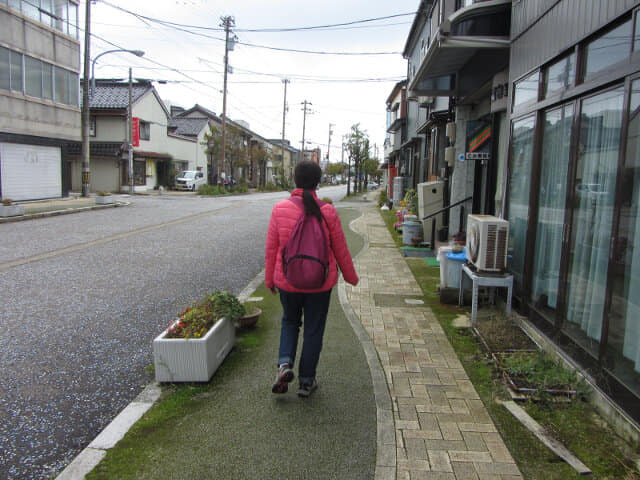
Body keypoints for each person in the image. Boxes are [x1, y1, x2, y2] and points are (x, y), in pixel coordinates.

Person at [265, 161, 359, 397]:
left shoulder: (279, 209)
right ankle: (306, 381)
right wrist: (351, 277)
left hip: (288, 281)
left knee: (289, 322)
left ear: (295, 180)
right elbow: (340, 249)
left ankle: (284, 364)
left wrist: (269, 279)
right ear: (318, 182)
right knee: (313, 330)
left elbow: (271, 249)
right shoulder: (327, 211)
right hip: (320, 283)